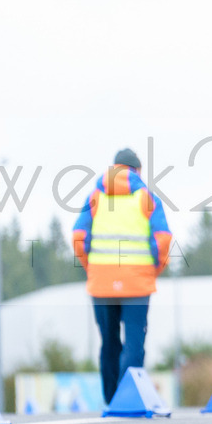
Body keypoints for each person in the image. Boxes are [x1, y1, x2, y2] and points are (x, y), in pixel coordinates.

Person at [72, 148, 172, 404]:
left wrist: (92, 269)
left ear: (115, 167)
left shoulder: (95, 196)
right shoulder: (146, 197)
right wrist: (153, 270)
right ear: (137, 170)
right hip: (137, 282)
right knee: (134, 342)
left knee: (109, 342)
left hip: (101, 283)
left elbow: (78, 237)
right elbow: (162, 239)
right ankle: (128, 399)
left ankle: (111, 400)